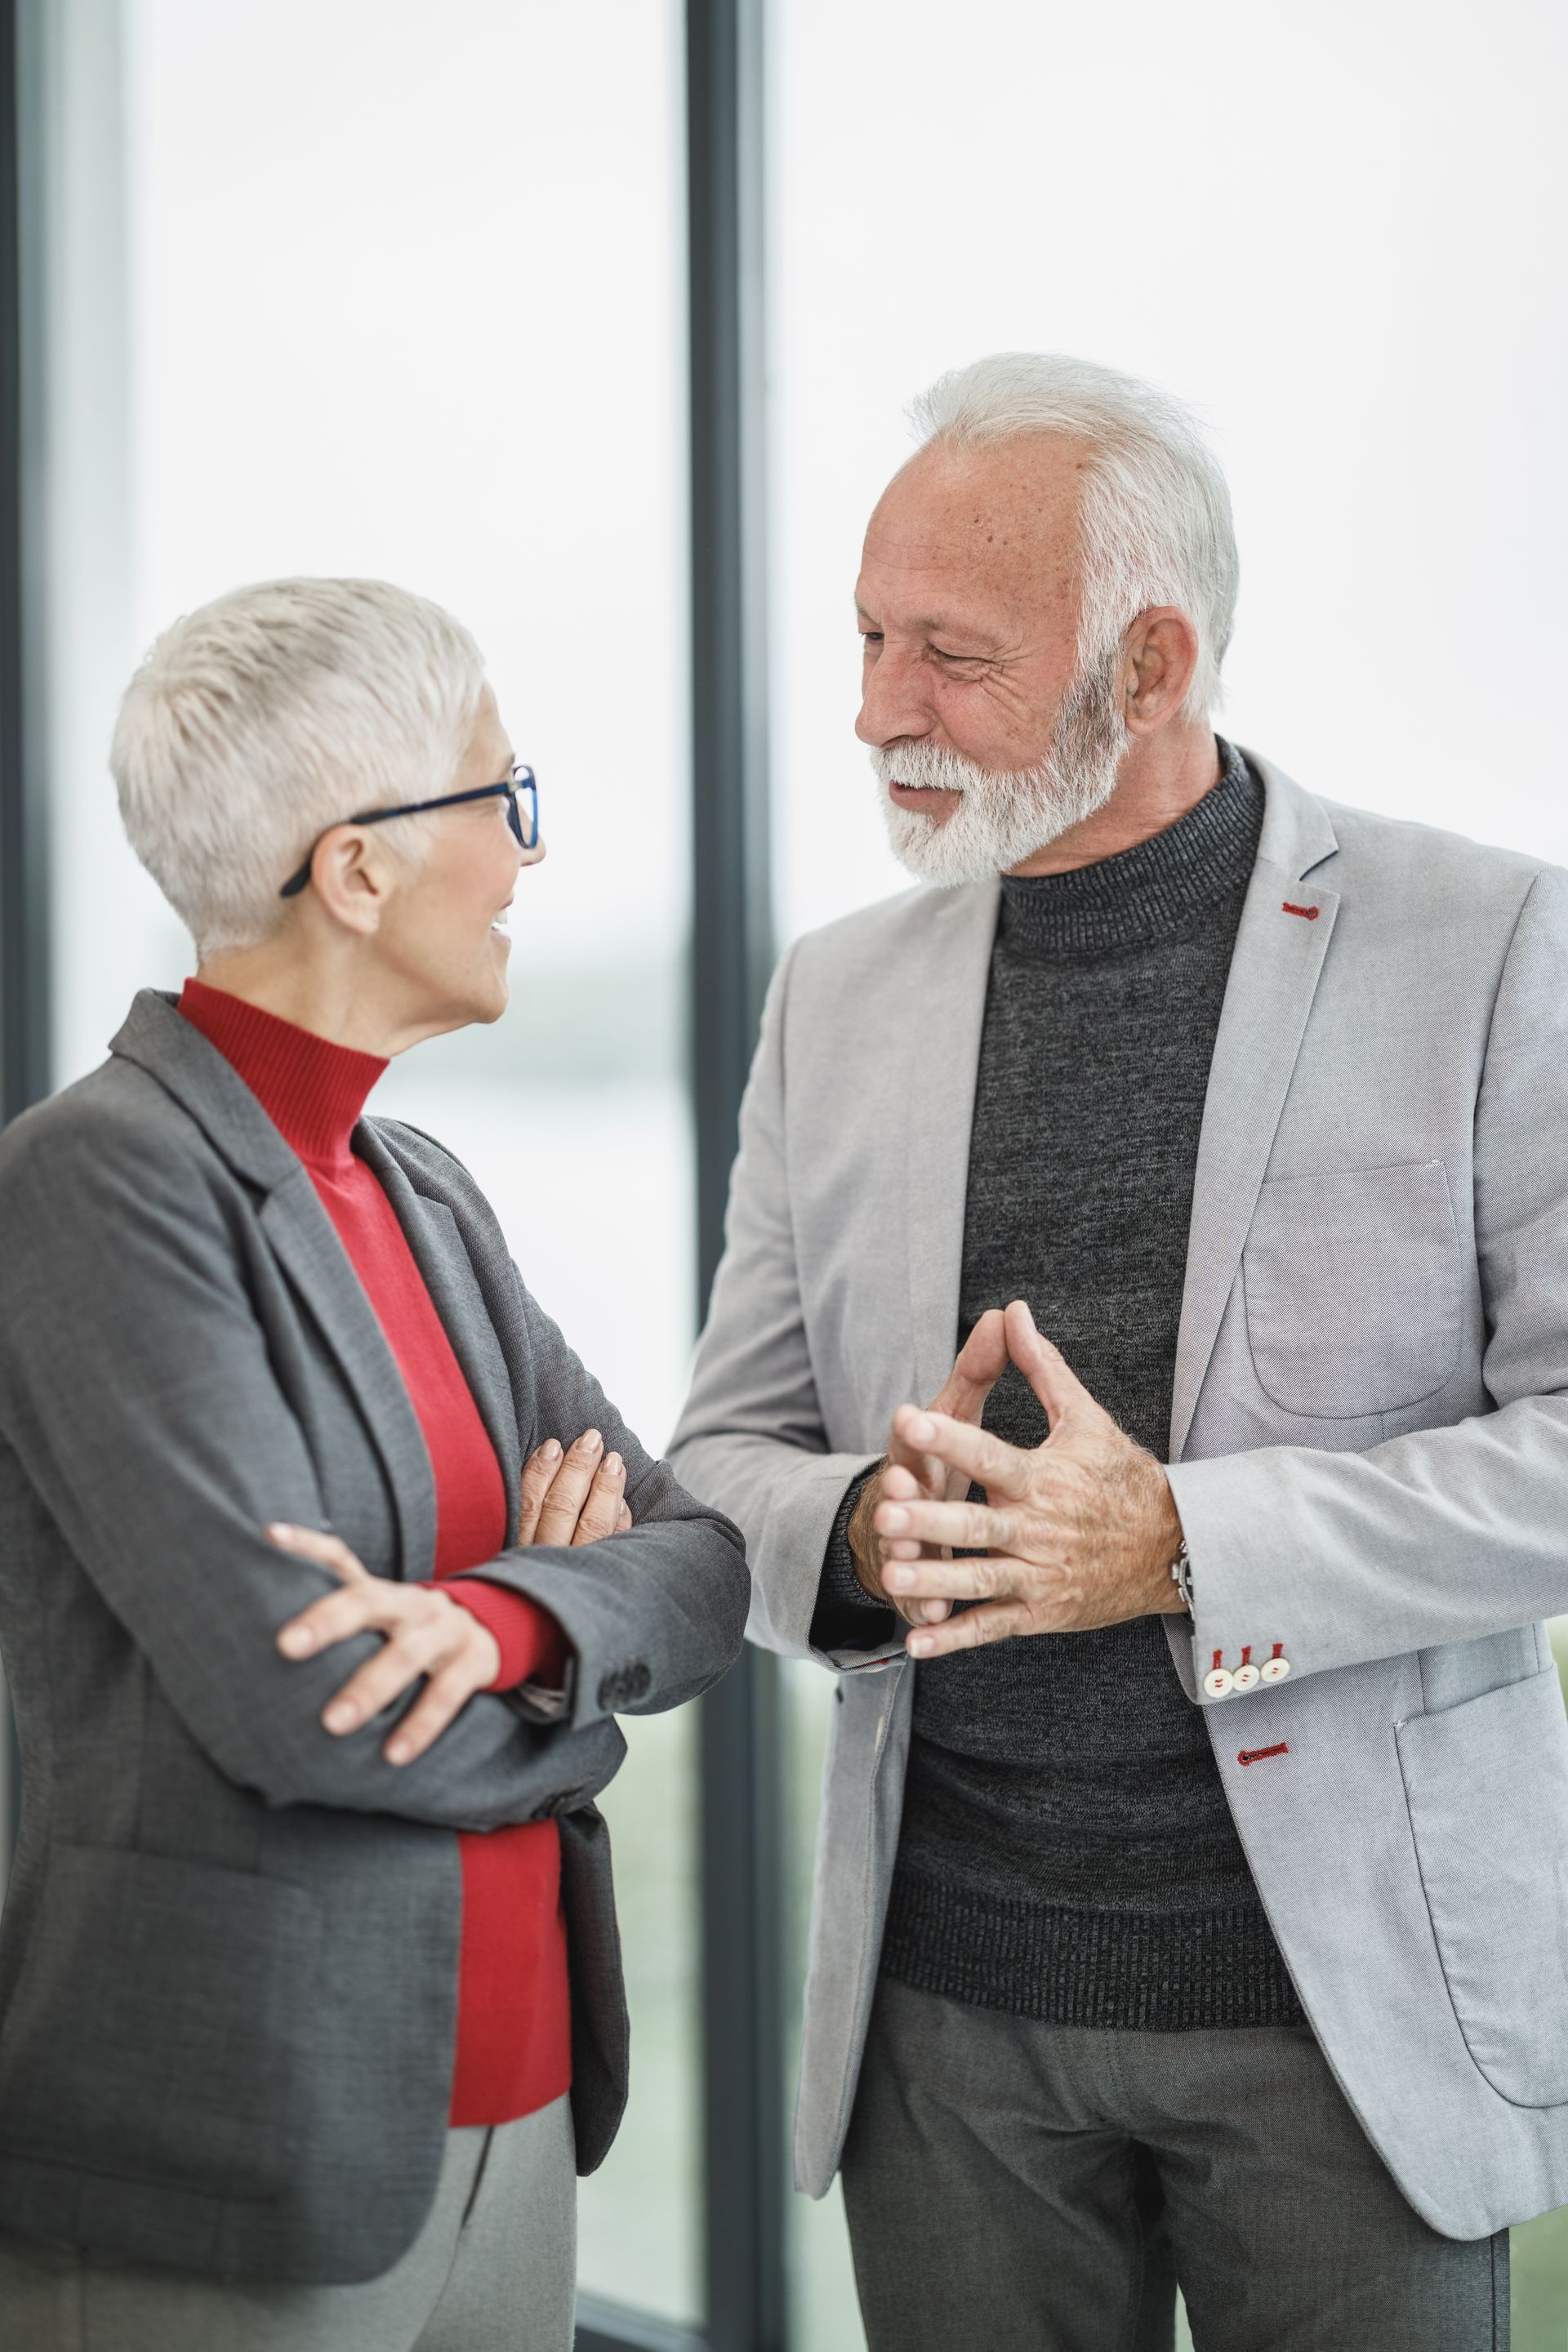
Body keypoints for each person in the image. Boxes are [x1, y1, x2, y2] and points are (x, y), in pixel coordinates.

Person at [669, 352, 1568, 2350]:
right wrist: (861, 1541)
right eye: (868, 637)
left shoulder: (1490, 943)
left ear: (1150, 665)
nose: (877, 709)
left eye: (949, 655)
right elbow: (721, 1453)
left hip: (1342, 2012)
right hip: (945, 2026)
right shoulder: (835, 992)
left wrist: (1176, 1546)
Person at [0, 577, 749, 2351]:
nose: (523, 856)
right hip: (245, 2152)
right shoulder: (97, 1185)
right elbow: (306, 1705)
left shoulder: (424, 1193)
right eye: (503, 801)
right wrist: (581, 1668)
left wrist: (493, 1626)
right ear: (355, 869)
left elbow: (705, 1558)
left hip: (521, 2118)